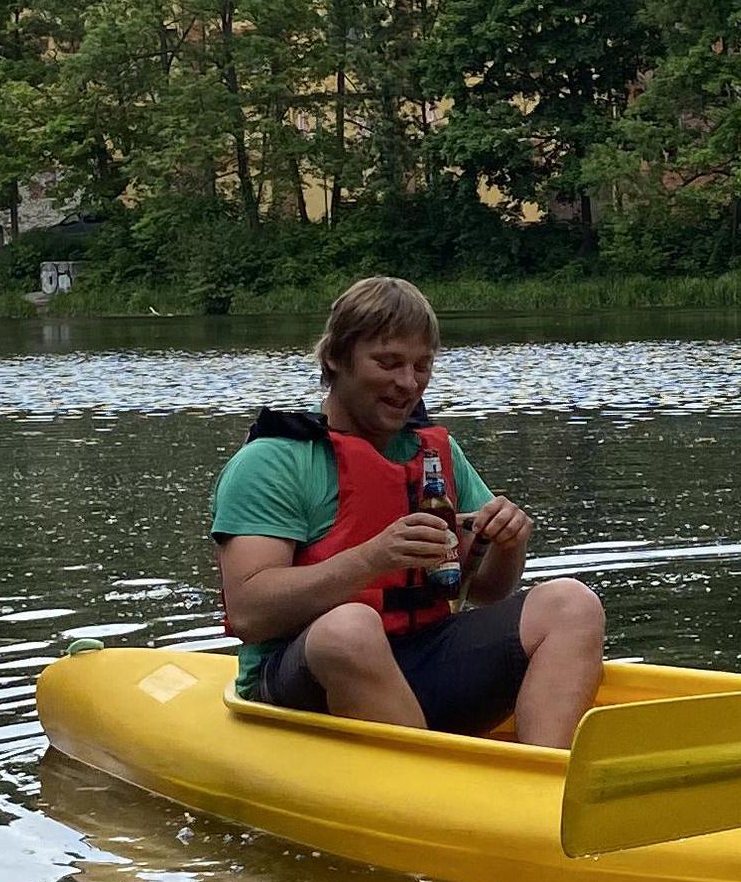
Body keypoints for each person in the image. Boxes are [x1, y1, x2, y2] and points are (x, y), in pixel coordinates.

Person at [212, 275, 608, 749]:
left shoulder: (436, 454)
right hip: (303, 676)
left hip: (422, 658)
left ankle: (543, 775)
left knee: (572, 603)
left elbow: (487, 589)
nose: (408, 383)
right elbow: (250, 612)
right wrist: (372, 559)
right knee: (350, 628)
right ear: (335, 357)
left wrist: (508, 542)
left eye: (422, 366)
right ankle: (430, 775)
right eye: (388, 363)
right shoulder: (272, 463)